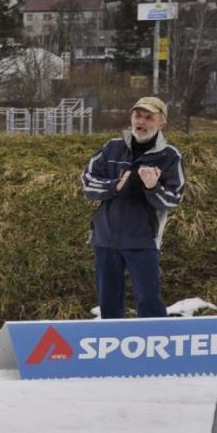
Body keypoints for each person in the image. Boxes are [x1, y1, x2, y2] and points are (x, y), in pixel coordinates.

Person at [81, 97, 185, 319]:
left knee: (149, 301)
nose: (141, 122)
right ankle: (112, 339)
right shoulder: (111, 147)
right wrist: (114, 185)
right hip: (105, 239)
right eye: (138, 116)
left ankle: (156, 338)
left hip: (143, 240)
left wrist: (153, 187)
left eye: (149, 117)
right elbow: (87, 183)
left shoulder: (170, 156)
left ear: (161, 124)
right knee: (108, 304)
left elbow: (174, 198)